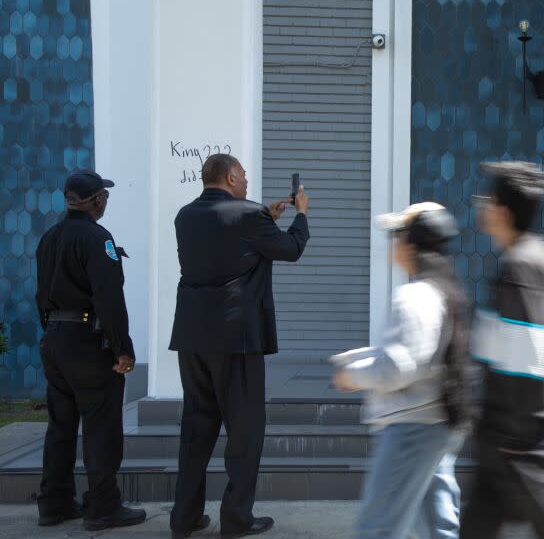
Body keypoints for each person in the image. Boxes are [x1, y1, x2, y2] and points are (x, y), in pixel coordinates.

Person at [168, 154, 310, 539]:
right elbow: (291, 250)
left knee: (196, 428)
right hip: (236, 338)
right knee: (245, 431)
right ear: (231, 177)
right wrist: (300, 216)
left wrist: (264, 215)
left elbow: (226, 239)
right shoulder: (250, 216)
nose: (247, 182)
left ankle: (184, 518)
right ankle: (236, 519)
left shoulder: (185, 215)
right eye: (244, 176)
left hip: (192, 336)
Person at [330, 202, 473, 539]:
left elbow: (400, 364)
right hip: (435, 421)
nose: (393, 244)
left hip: (410, 426)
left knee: (377, 528)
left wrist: (353, 375)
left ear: (411, 244)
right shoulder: (443, 291)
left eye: (397, 236)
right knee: (438, 528)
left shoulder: (415, 296)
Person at [461, 161, 544, 539]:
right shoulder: (539, 256)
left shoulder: (521, 267)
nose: (480, 204)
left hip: (519, 444)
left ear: (501, 210)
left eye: (487, 197)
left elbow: (533, 358)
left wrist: (514, 440)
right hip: (513, 438)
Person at [35, 170, 146, 531]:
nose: (106, 202)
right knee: (100, 425)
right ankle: (102, 507)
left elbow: (40, 295)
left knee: (60, 425)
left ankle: (53, 504)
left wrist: (53, 334)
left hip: (55, 339)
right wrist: (122, 349)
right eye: (105, 196)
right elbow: (109, 298)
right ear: (96, 200)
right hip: (87, 342)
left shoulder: (49, 238)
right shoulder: (99, 239)